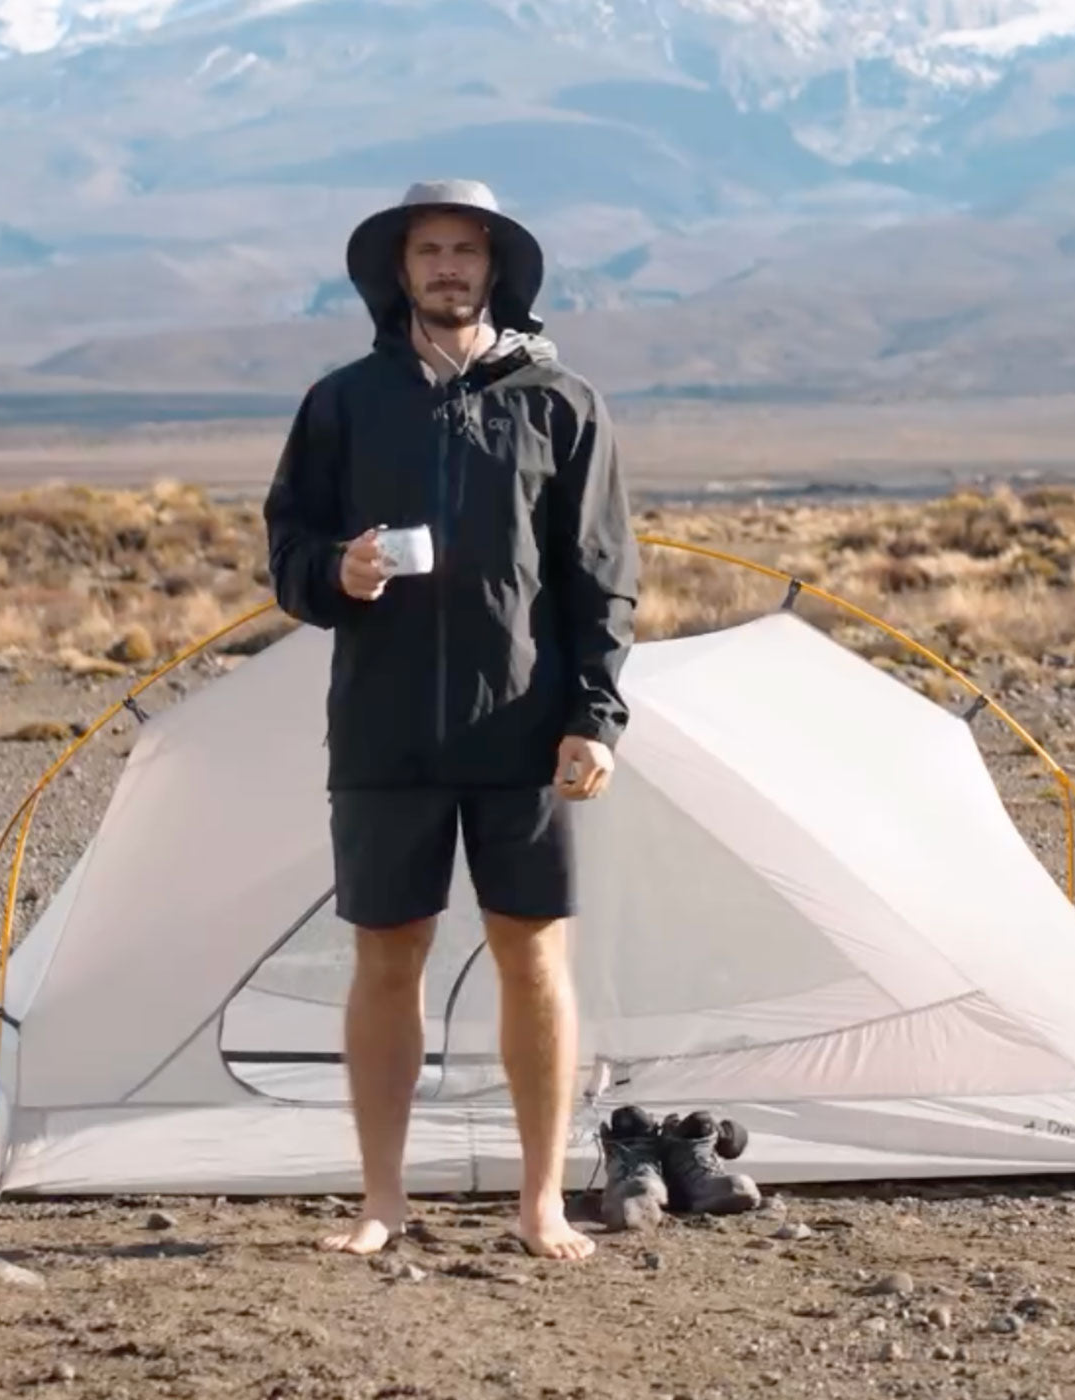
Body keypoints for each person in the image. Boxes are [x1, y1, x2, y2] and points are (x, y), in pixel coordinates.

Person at [263, 179, 639, 1262]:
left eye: (464, 250)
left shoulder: (561, 404)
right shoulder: (342, 403)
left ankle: (541, 1202)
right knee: (387, 957)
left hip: (523, 730)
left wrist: (593, 716)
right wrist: (337, 571)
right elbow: (286, 551)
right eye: (427, 249)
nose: (445, 266)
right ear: (398, 271)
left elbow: (599, 578)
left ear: (497, 270)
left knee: (532, 958)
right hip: (383, 734)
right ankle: (382, 1198)